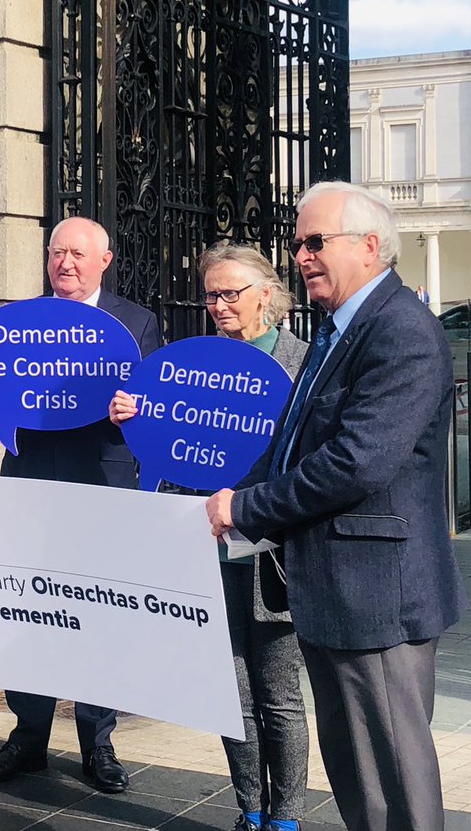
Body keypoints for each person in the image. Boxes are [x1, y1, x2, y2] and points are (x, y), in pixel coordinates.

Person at [205, 182, 467, 831]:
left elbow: (358, 461)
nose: (301, 255)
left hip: (376, 598)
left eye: (315, 241)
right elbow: (293, 445)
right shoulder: (337, 329)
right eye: (296, 243)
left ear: (370, 245)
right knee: (359, 776)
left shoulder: (401, 329)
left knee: (393, 780)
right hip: (334, 594)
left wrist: (248, 508)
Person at [0, 216, 159, 794]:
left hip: (103, 486)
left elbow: (156, 409)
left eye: (77, 254)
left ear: (104, 260)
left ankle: (98, 739)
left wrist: (133, 411)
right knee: (26, 611)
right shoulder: (21, 325)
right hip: (31, 485)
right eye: (56, 253)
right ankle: (28, 735)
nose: (66, 263)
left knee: (99, 615)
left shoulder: (138, 322)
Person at [111, 241, 309, 831]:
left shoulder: (304, 363)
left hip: (276, 548)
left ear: (267, 296)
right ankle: (250, 807)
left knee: (279, 693)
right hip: (212, 545)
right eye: (211, 295)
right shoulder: (193, 365)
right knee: (232, 690)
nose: (219, 305)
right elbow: (172, 451)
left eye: (231, 294)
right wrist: (134, 416)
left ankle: (288, 817)